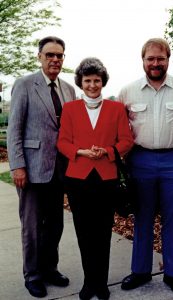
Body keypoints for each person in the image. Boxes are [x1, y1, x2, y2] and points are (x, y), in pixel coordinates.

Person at [118, 38, 173, 296]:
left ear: (168, 59)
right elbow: (118, 125)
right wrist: (125, 156)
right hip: (140, 161)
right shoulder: (128, 91)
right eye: (150, 58)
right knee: (143, 218)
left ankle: (172, 273)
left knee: (172, 219)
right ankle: (140, 271)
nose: (155, 63)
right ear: (143, 60)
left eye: (161, 58)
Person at [57, 57, 134, 300]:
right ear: (80, 82)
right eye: (87, 80)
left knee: (103, 232)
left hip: (106, 177)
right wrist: (80, 151)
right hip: (78, 178)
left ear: (103, 82)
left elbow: (126, 140)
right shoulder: (70, 109)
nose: (92, 85)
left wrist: (108, 152)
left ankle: (101, 283)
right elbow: (62, 142)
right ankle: (88, 283)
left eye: (97, 80)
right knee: (84, 232)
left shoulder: (116, 108)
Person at [7, 36, 76, 298]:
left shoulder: (68, 89)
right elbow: (14, 129)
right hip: (32, 169)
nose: (55, 59)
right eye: (50, 55)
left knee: (55, 226)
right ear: (40, 57)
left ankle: (50, 269)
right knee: (33, 227)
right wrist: (18, 167)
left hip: (61, 171)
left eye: (59, 55)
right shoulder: (24, 85)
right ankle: (33, 275)